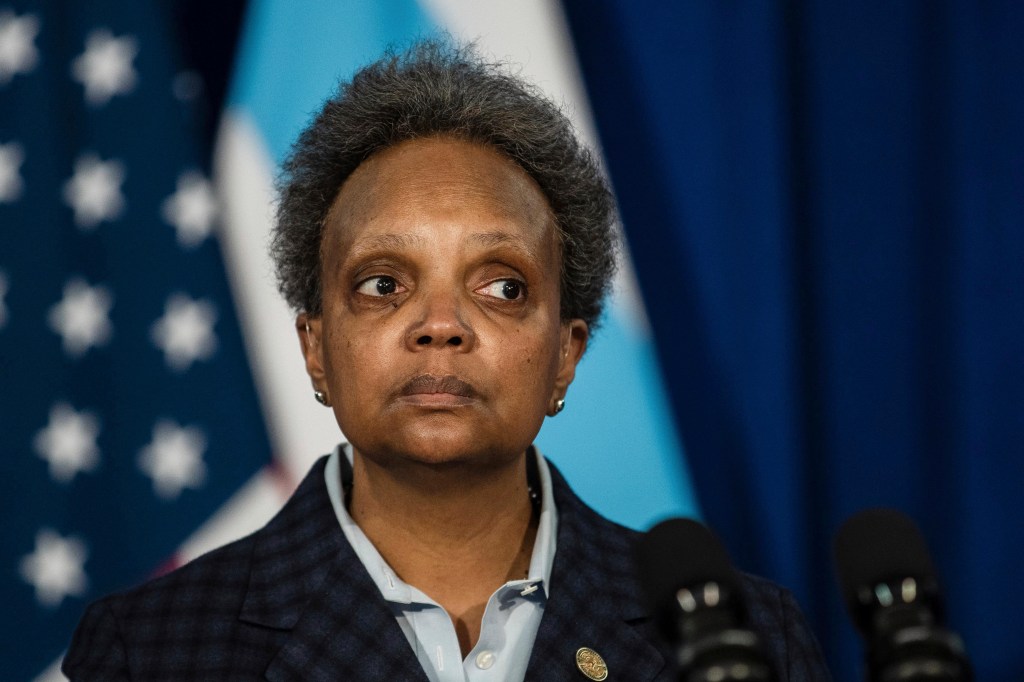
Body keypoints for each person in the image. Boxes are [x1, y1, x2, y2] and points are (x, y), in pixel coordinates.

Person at [63, 40, 833, 681]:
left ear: (567, 354)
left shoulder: (745, 640)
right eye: (383, 284)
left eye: (501, 286)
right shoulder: (153, 649)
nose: (441, 326)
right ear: (315, 350)